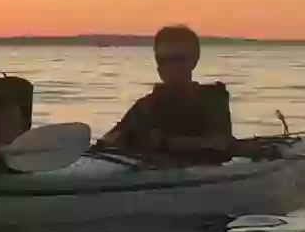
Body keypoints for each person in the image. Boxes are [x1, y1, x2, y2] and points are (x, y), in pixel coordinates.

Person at [100, 24, 236, 164]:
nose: (168, 66)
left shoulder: (210, 99)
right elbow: (112, 138)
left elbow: (220, 143)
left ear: (193, 60)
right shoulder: (146, 105)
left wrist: (164, 143)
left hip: (197, 176)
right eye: (162, 60)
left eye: (176, 59)